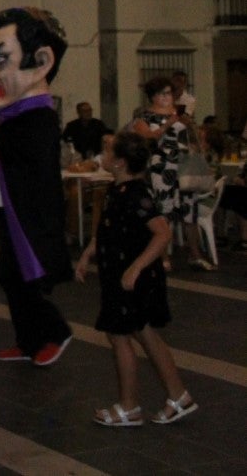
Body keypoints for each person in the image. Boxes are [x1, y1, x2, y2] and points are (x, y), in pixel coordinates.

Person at [74, 131, 198, 426]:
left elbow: (162, 233)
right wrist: (88, 254)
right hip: (119, 274)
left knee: (119, 336)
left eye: (106, 150)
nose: (101, 155)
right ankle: (178, 396)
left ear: (119, 162)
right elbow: (107, 231)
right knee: (145, 333)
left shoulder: (136, 195)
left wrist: (136, 268)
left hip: (131, 278)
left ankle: (129, 407)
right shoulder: (117, 192)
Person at [0, 7, 74, 368]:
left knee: (25, 276)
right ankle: (28, 339)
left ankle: (55, 332)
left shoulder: (39, 119)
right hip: (13, 208)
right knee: (9, 273)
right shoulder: (13, 117)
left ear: (41, 61)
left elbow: (35, 171)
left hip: (32, 216)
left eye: (0, 59)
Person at [130, 76, 213, 271]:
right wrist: (168, 123)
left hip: (184, 164)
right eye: (164, 94)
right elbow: (148, 137)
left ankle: (195, 254)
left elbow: (194, 137)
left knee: (188, 209)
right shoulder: (144, 116)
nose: (168, 97)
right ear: (153, 96)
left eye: (170, 93)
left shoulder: (180, 113)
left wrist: (189, 124)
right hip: (162, 165)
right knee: (163, 209)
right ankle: (163, 257)